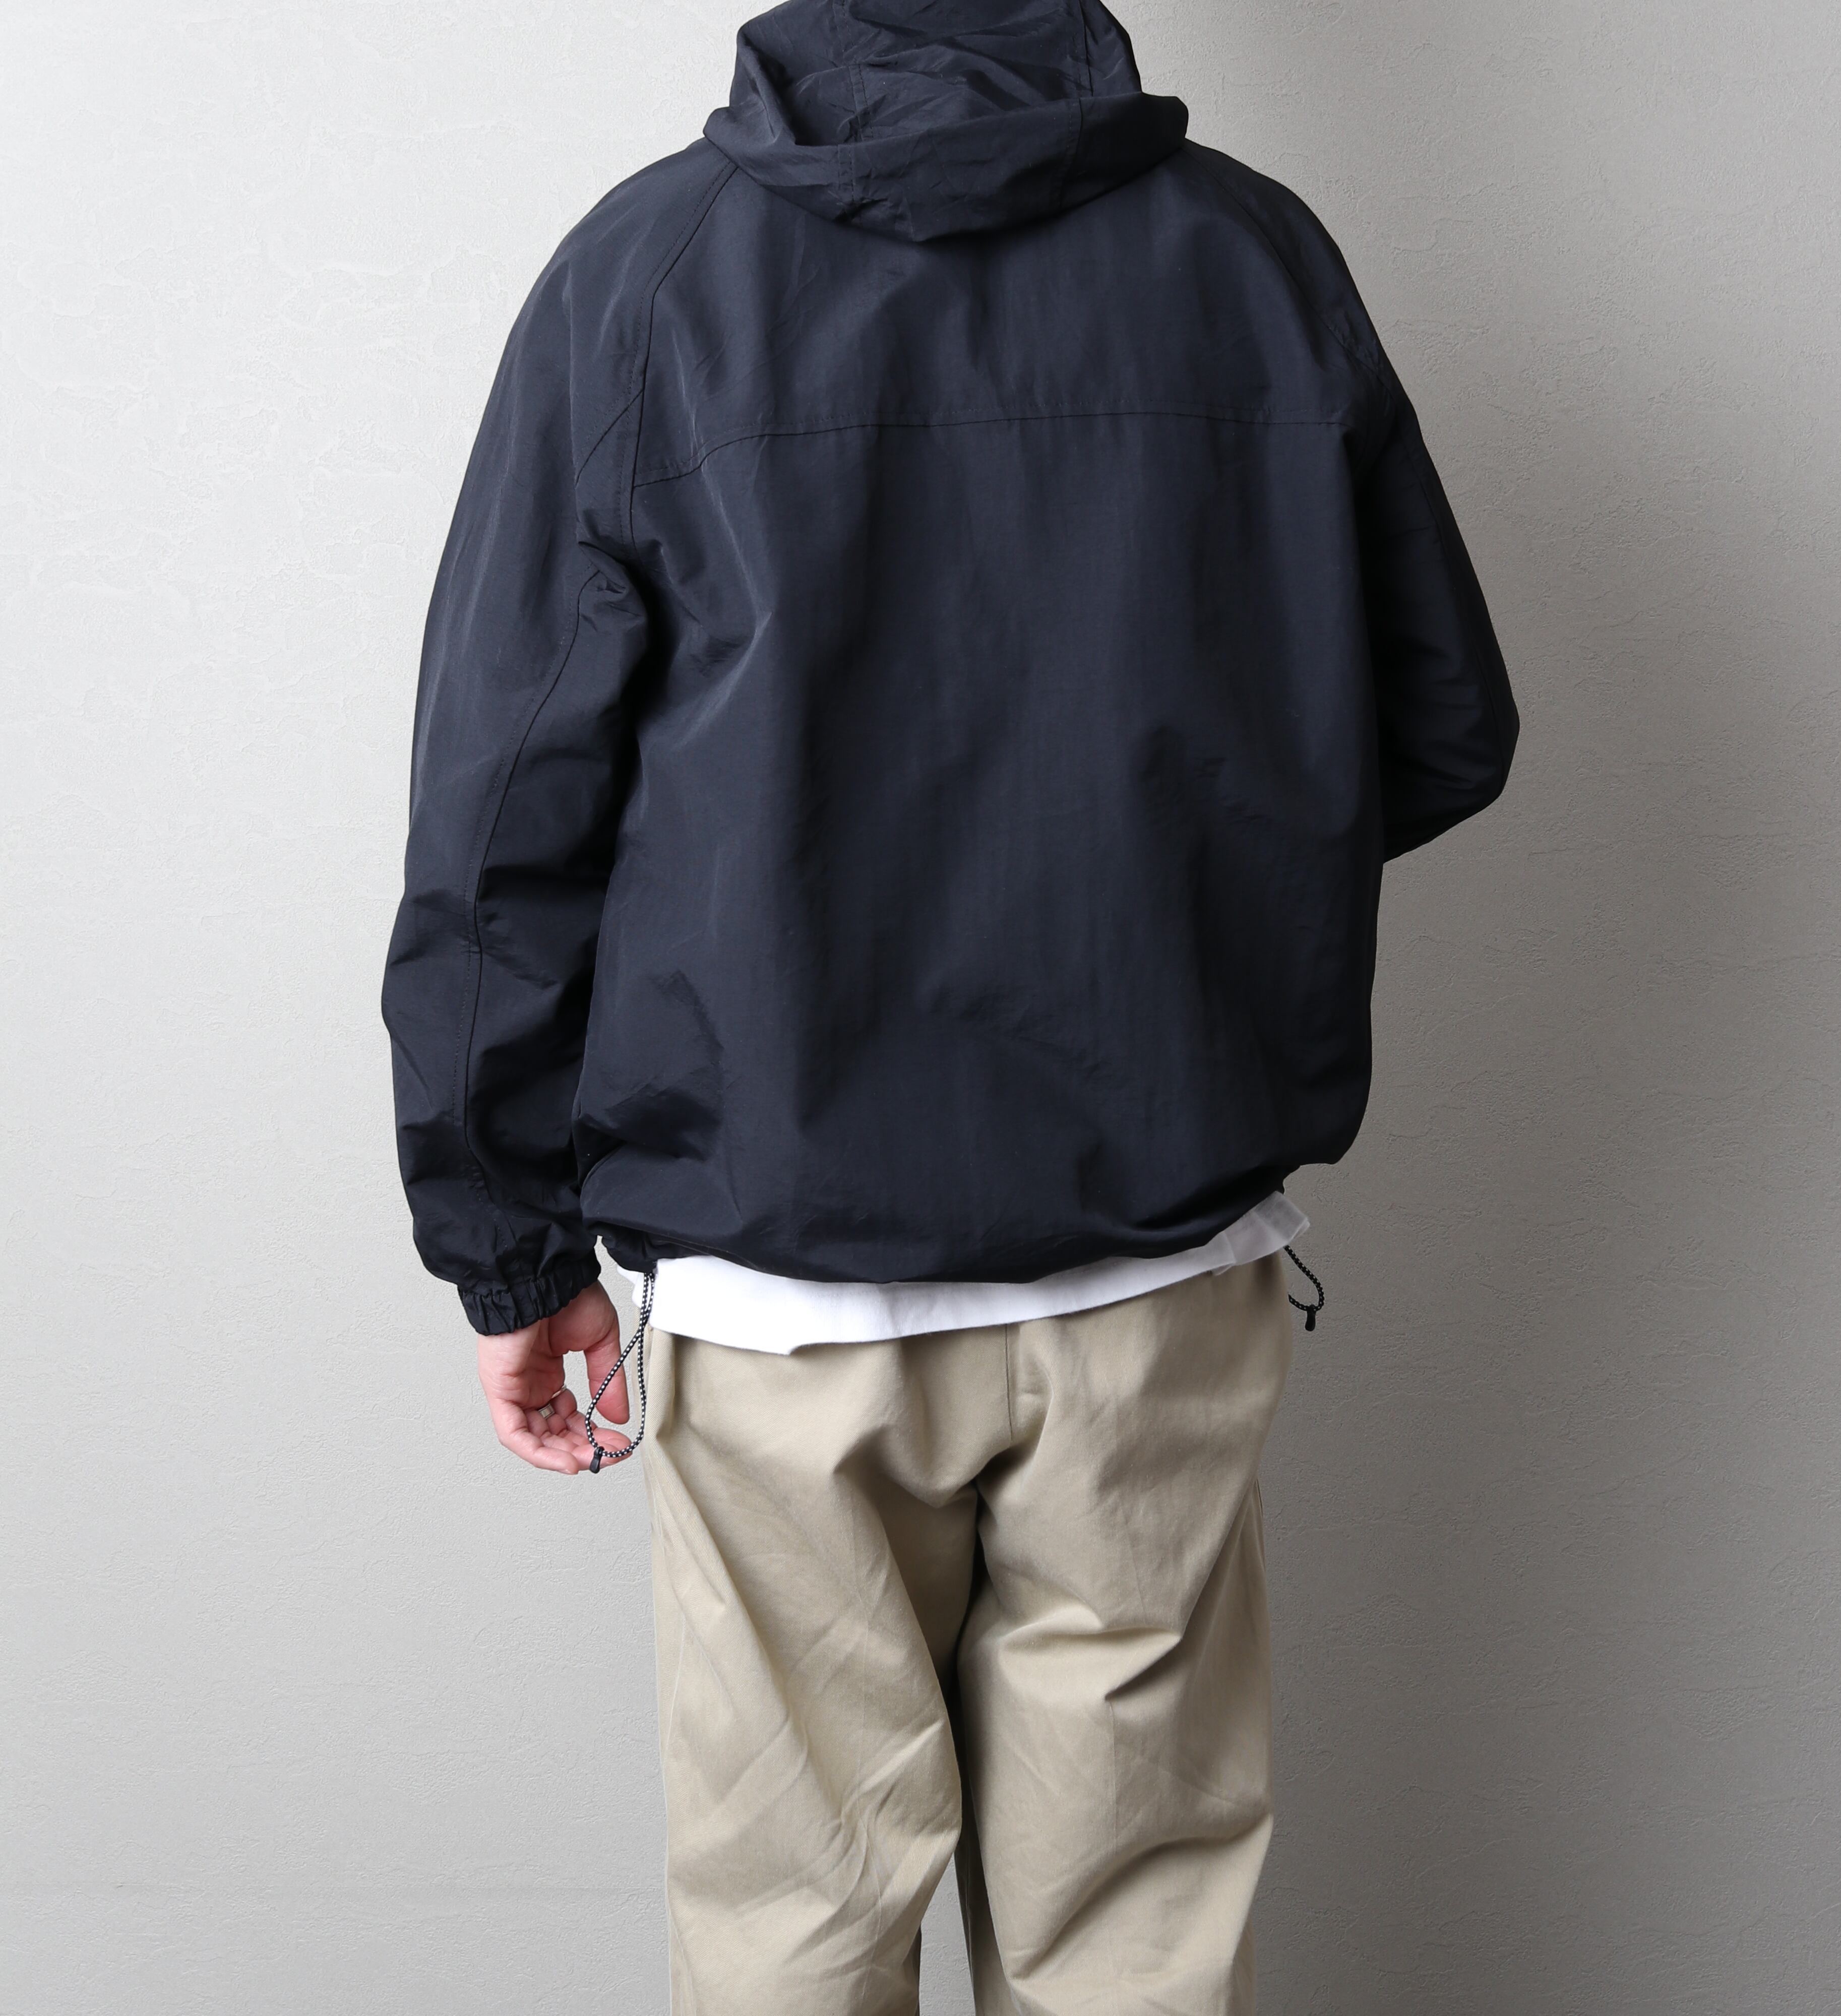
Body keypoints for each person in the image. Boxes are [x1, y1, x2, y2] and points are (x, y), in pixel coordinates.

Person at [383, 1, 1517, 2008]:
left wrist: (509, 1250)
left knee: (794, 1926)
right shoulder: (1251, 259)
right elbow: (1440, 729)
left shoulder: (645, 278)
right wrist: (1162, 893)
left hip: (780, 1292)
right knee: (1135, 1938)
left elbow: (501, 825)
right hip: (1156, 1274)